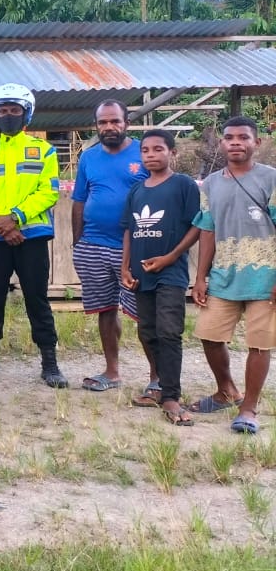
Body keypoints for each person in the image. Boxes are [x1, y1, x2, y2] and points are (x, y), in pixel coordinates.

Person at [0, 83, 68, 388]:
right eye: (2, 110)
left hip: (31, 236)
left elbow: (49, 191)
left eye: (15, 110)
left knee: (37, 299)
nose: (8, 115)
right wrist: (2, 224)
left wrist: (16, 219)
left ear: (27, 113)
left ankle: (49, 362)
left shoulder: (44, 150)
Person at [189, 116, 276, 435]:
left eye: (243, 137)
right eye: (229, 137)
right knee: (209, 336)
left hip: (265, 279)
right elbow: (207, 230)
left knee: (259, 344)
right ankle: (226, 390)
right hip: (224, 276)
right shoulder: (211, 183)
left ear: (257, 143)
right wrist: (200, 277)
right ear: (221, 143)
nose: (236, 142)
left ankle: (249, 408)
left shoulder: (271, 179)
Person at [120, 130, 200, 426]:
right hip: (141, 275)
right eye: (145, 151)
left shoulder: (183, 185)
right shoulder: (137, 190)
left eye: (158, 149)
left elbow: (196, 226)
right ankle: (158, 386)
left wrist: (170, 257)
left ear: (173, 153)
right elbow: (128, 229)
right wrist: (125, 268)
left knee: (169, 331)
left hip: (171, 273)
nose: (151, 155)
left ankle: (171, 396)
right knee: (147, 332)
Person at [72, 100, 149, 393]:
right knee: (105, 310)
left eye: (115, 121)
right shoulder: (89, 157)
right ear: (96, 125)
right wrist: (77, 243)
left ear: (126, 122)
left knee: (144, 313)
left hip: (134, 248)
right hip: (93, 245)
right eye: (103, 122)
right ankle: (112, 371)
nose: (109, 127)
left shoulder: (145, 150)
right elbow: (79, 200)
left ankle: (156, 377)